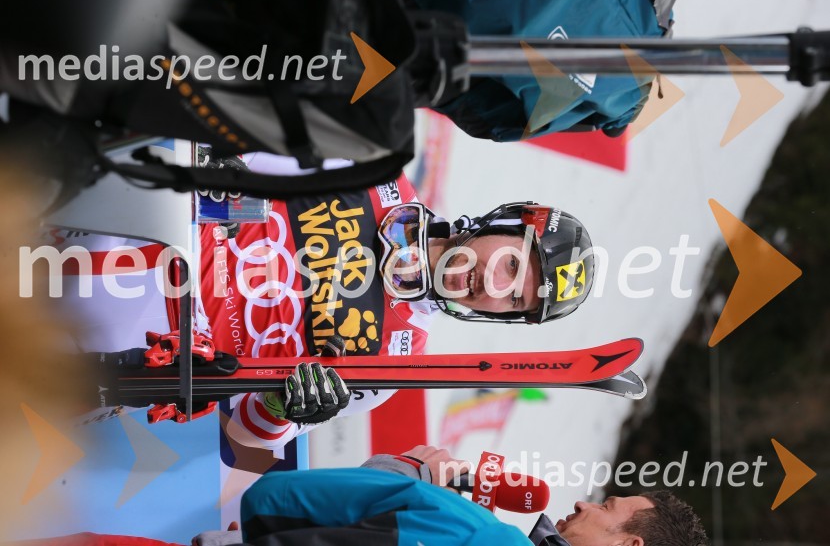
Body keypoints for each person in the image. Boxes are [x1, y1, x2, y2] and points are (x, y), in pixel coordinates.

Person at [53, 151, 596, 451]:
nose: (493, 287)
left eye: (512, 299)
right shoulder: (377, 176)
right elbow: (231, 150)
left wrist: (279, 410)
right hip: (114, 231)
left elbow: (241, 433)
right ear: (502, 224)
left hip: (121, 349)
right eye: (510, 264)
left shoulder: (394, 362)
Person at [234, 445, 709, 546]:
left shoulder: (475, 530)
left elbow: (274, 498)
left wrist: (412, 473)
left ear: (631, 545)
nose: (584, 504)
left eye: (606, 508)